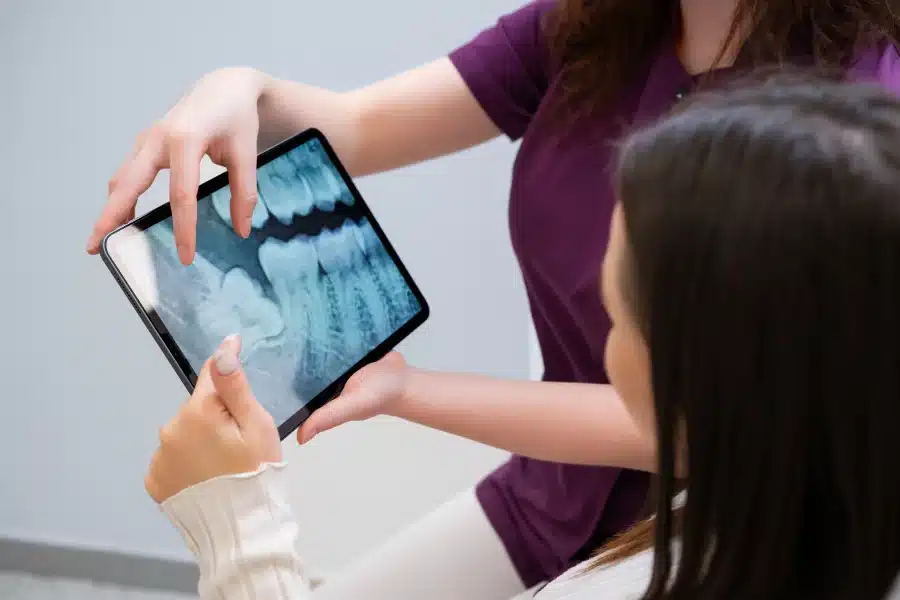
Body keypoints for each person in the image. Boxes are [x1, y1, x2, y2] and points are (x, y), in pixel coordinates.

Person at [87, 1, 900, 597]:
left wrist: (234, 516)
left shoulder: (846, 127)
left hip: (717, 518)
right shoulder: (597, 23)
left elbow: (724, 426)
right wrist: (243, 88)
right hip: (549, 496)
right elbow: (361, 125)